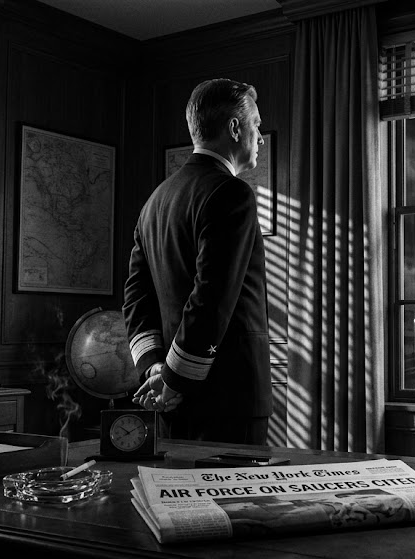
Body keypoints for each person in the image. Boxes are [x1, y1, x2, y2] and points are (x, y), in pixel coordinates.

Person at [123, 78, 271, 444]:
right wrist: (175, 379)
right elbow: (211, 298)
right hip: (229, 399)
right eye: (255, 125)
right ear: (234, 128)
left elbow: (136, 300)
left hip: (171, 399)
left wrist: (156, 368)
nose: (260, 137)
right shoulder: (232, 193)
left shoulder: (154, 202)